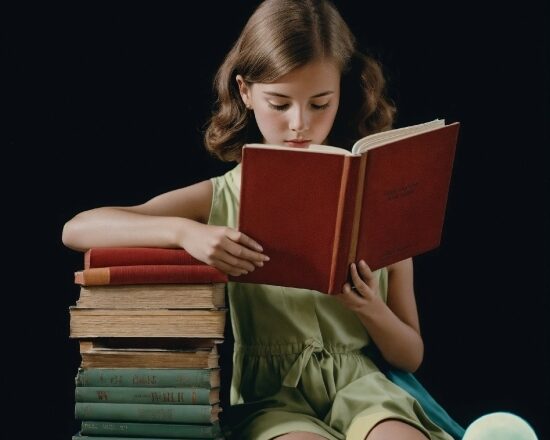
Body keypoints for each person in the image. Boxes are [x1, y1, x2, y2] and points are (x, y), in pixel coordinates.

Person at [62, 1, 463, 439]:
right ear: (246, 92)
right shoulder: (224, 196)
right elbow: (78, 228)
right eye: (279, 103)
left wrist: (368, 307)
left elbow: (410, 355)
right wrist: (185, 232)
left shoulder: (372, 198)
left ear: (342, 92)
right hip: (273, 401)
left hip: (367, 390)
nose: (299, 124)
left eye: (319, 103)